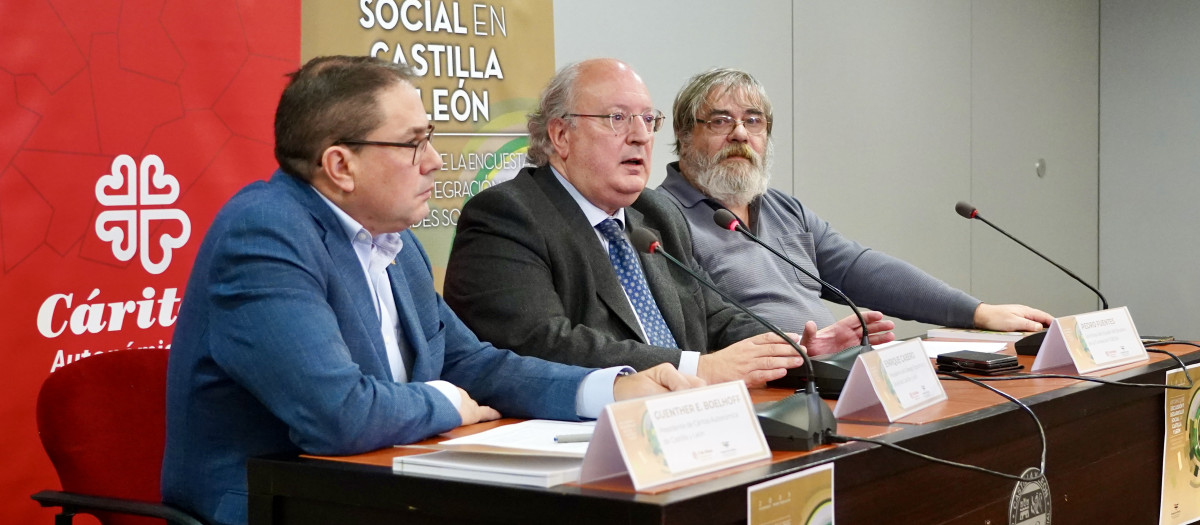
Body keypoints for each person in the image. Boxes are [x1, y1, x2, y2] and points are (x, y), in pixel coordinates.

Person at [161, 56, 701, 525]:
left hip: (388, 495)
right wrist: (445, 401)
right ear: (339, 166)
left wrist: (607, 389)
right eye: (413, 143)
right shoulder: (265, 235)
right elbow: (338, 415)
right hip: (276, 507)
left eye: (431, 137)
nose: (435, 160)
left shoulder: (396, 242)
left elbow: (472, 363)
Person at [443, 58, 892, 389]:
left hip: (688, 419)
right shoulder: (508, 215)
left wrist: (792, 349)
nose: (639, 134)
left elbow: (714, 317)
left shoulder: (655, 214)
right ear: (560, 136)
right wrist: (697, 366)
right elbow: (541, 342)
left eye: (646, 119)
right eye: (617, 119)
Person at [658, 67, 1053, 335]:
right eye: (721, 120)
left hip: (826, 375)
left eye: (754, 120)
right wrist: (801, 350)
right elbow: (702, 323)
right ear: (684, 133)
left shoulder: (783, 209)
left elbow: (861, 270)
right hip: (762, 390)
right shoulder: (658, 217)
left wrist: (977, 312)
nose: (741, 134)